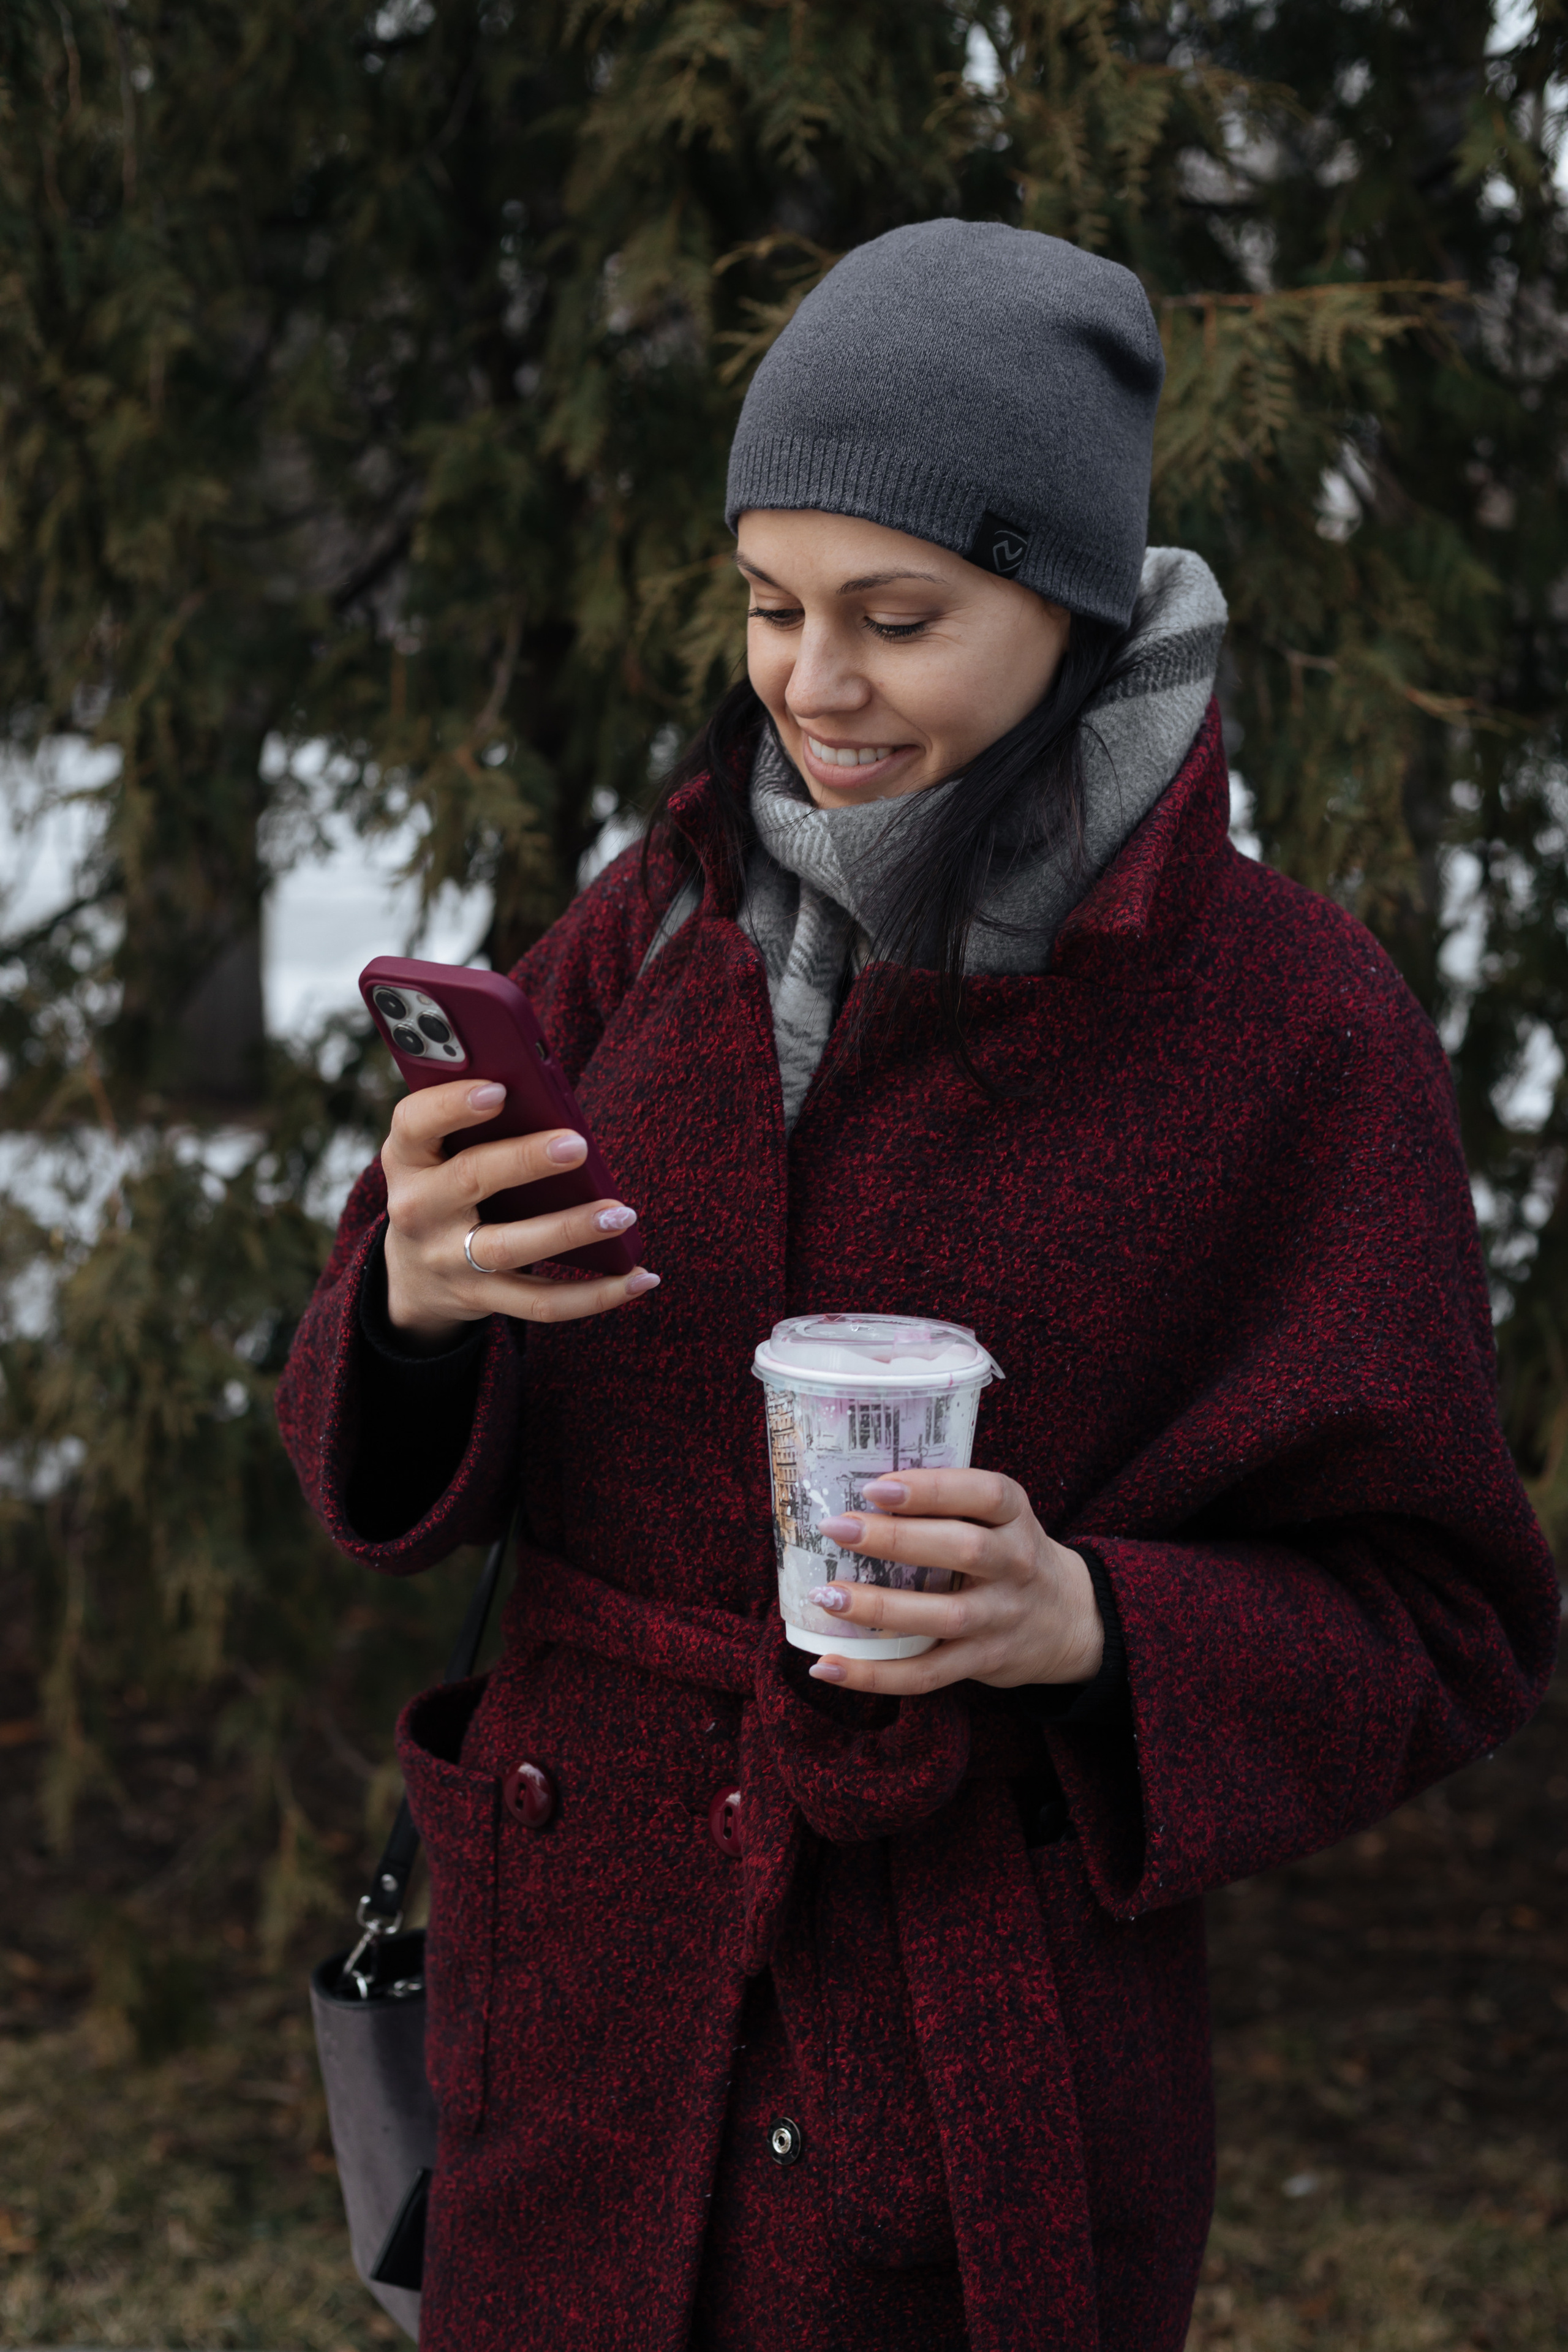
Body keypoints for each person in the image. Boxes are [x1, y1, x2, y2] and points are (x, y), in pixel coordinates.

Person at [277, 221, 1559, 2352]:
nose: (812, 684)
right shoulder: (663, 916)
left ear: (1067, 607)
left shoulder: (1288, 1026)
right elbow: (394, 1446)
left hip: (973, 2076)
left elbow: (1447, 1616)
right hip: (573, 2022)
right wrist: (415, 1300)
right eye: (772, 608)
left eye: (900, 619)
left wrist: (1098, 1625)